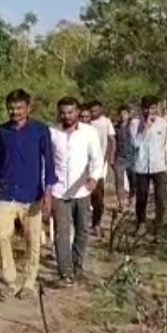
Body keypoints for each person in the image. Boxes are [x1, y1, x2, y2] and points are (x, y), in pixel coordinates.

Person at [0, 89, 56, 300]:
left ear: (28, 108)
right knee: (1, 235)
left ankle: (29, 282)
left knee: (33, 240)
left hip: (32, 194)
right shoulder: (2, 131)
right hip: (7, 193)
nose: (15, 112)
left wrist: (48, 191)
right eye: (11, 108)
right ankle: (10, 280)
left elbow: (49, 160)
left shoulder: (40, 130)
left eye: (19, 108)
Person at [49, 97, 105, 287]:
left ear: (77, 112)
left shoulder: (88, 132)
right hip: (59, 191)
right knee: (61, 233)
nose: (67, 116)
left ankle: (77, 264)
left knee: (82, 230)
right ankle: (65, 272)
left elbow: (97, 158)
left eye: (70, 112)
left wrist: (93, 178)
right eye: (63, 112)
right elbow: (46, 163)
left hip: (82, 190)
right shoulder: (52, 133)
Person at [129, 95, 167, 237]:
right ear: (142, 109)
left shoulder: (163, 123)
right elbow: (135, 144)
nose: (149, 111)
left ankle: (159, 226)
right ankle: (141, 223)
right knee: (141, 198)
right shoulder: (135, 124)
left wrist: (166, 162)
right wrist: (145, 128)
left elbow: (165, 144)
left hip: (159, 166)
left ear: (156, 108)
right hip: (141, 166)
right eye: (146, 108)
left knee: (161, 198)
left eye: (152, 108)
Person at [87, 100, 116, 237]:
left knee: (98, 195)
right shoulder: (85, 124)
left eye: (95, 111)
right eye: (91, 111)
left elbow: (111, 140)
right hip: (84, 166)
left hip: (100, 164)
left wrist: (110, 157)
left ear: (100, 110)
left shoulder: (106, 122)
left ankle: (96, 223)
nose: (93, 113)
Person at [112, 105, 135, 210]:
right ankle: (121, 203)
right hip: (119, 158)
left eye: (125, 114)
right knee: (119, 182)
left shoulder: (133, 126)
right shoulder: (115, 128)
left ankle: (132, 200)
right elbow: (113, 143)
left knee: (133, 181)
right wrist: (112, 158)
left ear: (129, 114)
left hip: (132, 158)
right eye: (120, 114)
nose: (122, 116)